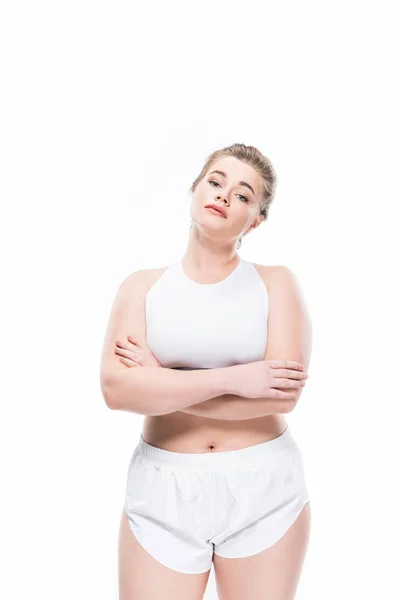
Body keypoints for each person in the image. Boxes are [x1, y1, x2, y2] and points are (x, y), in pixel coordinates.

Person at [100, 143, 313, 599]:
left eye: (242, 195)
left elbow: (280, 396)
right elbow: (117, 390)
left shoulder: (276, 283)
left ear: (256, 220)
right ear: (195, 189)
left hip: (263, 488)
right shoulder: (142, 287)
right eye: (215, 182)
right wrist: (236, 379)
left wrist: (159, 380)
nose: (223, 195)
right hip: (162, 488)